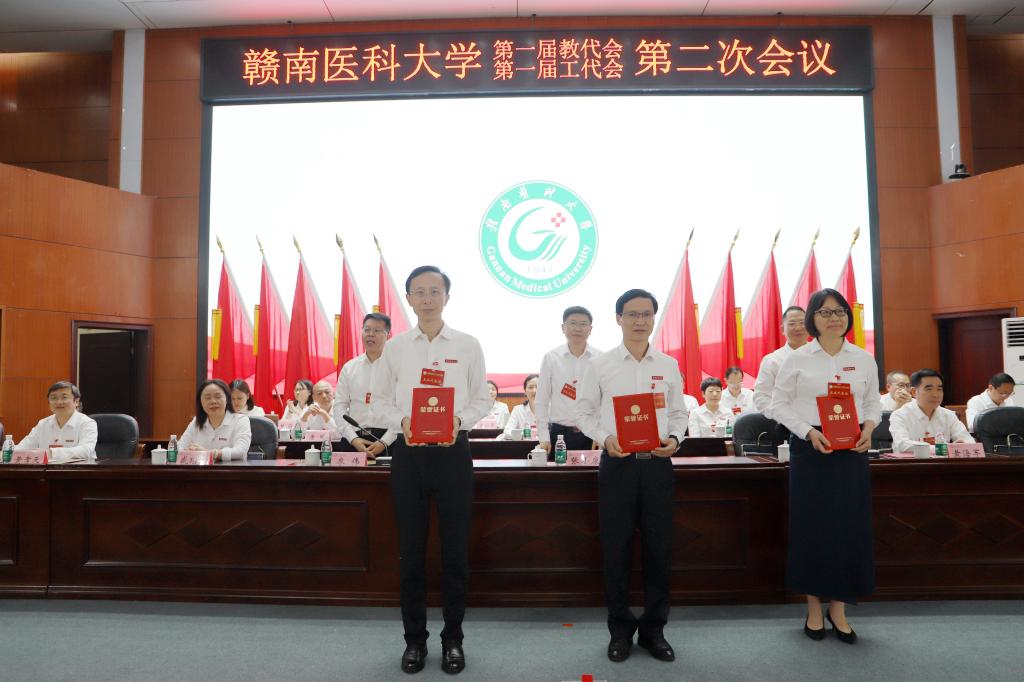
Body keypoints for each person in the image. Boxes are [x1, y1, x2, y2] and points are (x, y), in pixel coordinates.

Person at [373, 265, 490, 675]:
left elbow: (482, 399)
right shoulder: (395, 348)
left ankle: (453, 639)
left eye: (434, 291)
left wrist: (458, 421)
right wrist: (402, 422)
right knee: (412, 555)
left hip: (453, 454)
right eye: (419, 292)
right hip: (410, 456)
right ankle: (415, 641)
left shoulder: (468, 345)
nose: (427, 298)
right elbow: (380, 401)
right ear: (408, 298)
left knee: (455, 553)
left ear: (447, 297)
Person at [577, 289, 687, 664]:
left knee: (659, 550)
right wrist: (605, 438)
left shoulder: (668, 365)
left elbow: (679, 413)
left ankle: (654, 630)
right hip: (618, 465)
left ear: (654, 318)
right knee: (616, 550)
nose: (640, 321)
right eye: (632, 314)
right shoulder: (600, 365)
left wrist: (675, 438)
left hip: (657, 465)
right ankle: (620, 631)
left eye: (646, 314)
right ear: (618, 318)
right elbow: (583, 413)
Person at [770, 288, 881, 645]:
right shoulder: (797, 359)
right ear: (812, 319)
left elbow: (872, 403)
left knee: (848, 527)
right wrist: (806, 431)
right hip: (811, 449)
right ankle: (814, 608)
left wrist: (869, 428)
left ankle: (839, 609)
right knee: (812, 527)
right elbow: (778, 404)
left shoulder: (863, 359)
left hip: (852, 450)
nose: (834, 318)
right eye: (825, 312)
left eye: (840, 311)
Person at [536, 306, 600, 452]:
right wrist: (544, 437)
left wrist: (601, 434)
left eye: (583, 324)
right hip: (559, 434)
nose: (577, 328)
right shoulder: (551, 358)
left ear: (590, 329)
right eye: (573, 323)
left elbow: (604, 401)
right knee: (558, 468)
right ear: (563, 328)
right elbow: (541, 400)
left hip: (592, 433)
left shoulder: (600, 358)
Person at [334, 312, 397, 457]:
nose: (370, 334)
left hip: (390, 441)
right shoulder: (349, 368)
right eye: (367, 329)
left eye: (377, 330)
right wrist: (353, 438)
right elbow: (339, 407)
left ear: (388, 335)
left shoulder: (397, 368)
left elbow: (405, 409)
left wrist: (385, 441)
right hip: (353, 439)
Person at [890, 369, 974, 453]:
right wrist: (943, 448)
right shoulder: (899, 415)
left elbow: (969, 441)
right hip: (911, 461)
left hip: (943, 461)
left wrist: (962, 445)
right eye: (929, 389)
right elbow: (903, 445)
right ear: (914, 392)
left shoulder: (949, 415)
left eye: (939, 389)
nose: (935, 395)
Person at [16, 381, 97, 463]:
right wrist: (10, 451)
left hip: (79, 469)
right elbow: (22, 448)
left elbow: (86, 450)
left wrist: (51, 453)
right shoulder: (43, 424)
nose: (59, 402)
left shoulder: (87, 423)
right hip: (46, 470)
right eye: (54, 398)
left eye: (64, 397)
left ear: (76, 401)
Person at [752, 306, 808, 418]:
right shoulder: (772, 361)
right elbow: (761, 396)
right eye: (792, 324)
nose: (798, 328)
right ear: (783, 329)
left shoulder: (822, 355)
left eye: (802, 323)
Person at [179, 379, 252, 461]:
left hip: (230, 469)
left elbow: (241, 451)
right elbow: (179, 448)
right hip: (200, 468)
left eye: (218, 397)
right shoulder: (196, 422)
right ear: (200, 402)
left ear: (227, 399)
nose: (213, 401)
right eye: (207, 398)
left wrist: (209, 453)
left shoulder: (240, 420)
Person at [499, 374, 538, 440]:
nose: (534, 391)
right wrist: (526, 435)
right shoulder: (518, 410)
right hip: (525, 445)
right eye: (530, 387)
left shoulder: (551, 410)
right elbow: (507, 431)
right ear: (525, 391)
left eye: (538, 387)